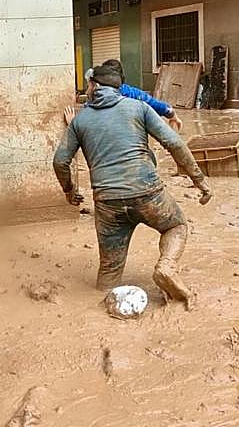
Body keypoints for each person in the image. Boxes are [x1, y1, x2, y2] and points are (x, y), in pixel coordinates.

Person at [53, 65, 212, 310]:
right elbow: (174, 143)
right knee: (176, 226)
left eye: (88, 85)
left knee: (108, 274)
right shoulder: (138, 107)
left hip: (108, 204)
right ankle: (166, 266)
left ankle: (105, 306)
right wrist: (199, 180)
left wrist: (69, 191)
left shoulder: (80, 120)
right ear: (118, 88)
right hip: (148, 194)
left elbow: (60, 161)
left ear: (94, 86)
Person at [64, 59, 183, 131]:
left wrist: (73, 124)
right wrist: (173, 116)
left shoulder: (95, 99)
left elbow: (86, 125)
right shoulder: (133, 94)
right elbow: (160, 106)